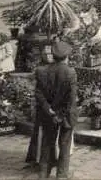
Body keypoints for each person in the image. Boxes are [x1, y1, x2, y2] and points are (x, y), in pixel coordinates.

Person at [35, 41, 78, 179]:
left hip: (48, 114)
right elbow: (71, 99)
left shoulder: (41, 71)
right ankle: (62, 175)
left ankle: (43, 173)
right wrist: (60, 114)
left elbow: (39, 94)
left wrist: (49, 110)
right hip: (65, 115)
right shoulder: (70, 73)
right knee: (64, 144)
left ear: (52, 56)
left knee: (47, 142)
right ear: (66, 57)